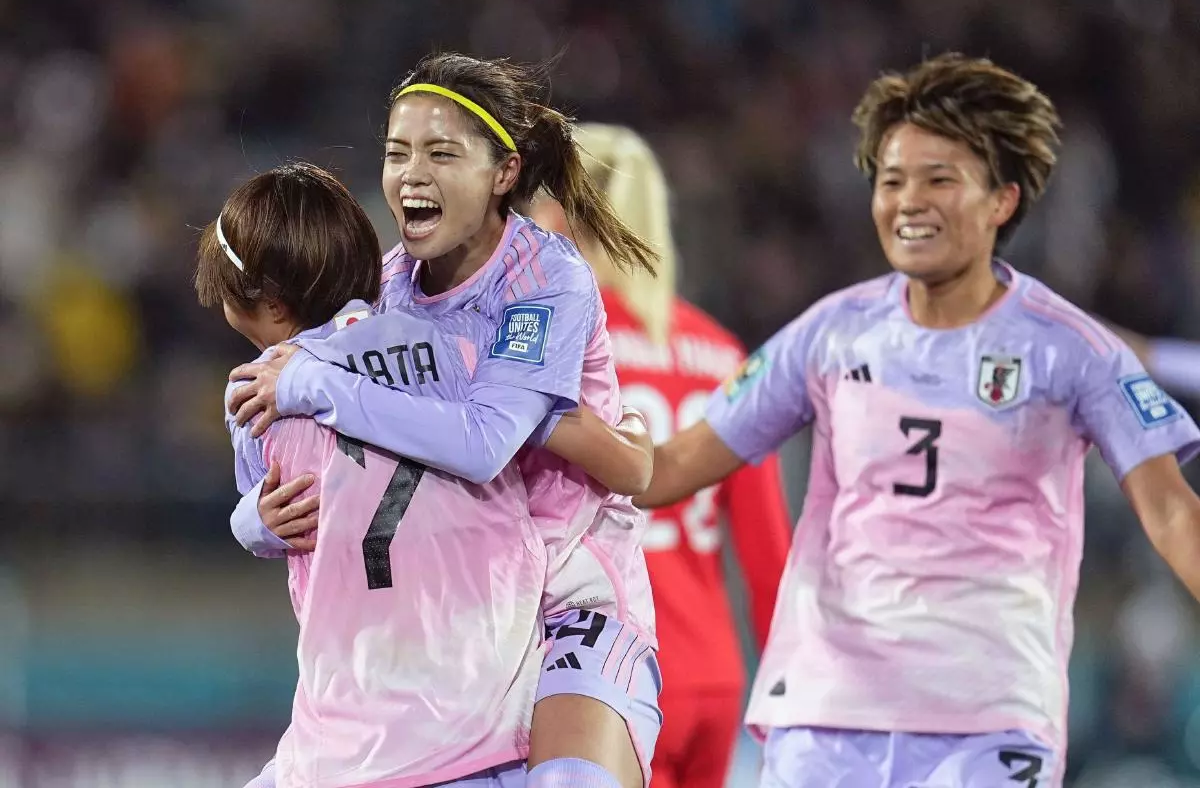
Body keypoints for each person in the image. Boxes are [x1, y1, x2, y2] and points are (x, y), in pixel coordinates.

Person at [636, 53, 1200, 788]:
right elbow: (669, 467)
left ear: (1002, 199)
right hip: (827, 711)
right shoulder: (829, 333)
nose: (908, 201)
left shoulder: (1073, 349)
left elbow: (1172, 516)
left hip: (990, 718)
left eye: (940, 179)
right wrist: (543, 432)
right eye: (892, 180)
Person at [225, 53, 662, 788]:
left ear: (504, 173)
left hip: (567, 603)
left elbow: (487, 440)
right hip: (453, 624)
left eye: (441, 153)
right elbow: (317, 456)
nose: (411, 174)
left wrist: (317, 380)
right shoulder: (384, 289)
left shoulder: (544, 280)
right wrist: (257, 522)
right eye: (397, 153)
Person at [529, 123, 792, 788]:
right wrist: (790, 706)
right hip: (711, 679)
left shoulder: (556, 348)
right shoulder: (725, 355)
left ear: (559, 215)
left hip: (601, 674)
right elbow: (769, 561)